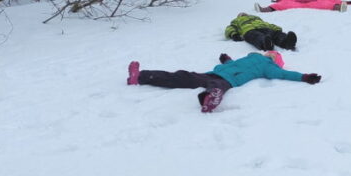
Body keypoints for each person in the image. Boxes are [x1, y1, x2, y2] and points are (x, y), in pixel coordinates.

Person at [126, 51, 322, 113]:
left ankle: (209, 100)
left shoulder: (270, 67)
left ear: (275, 59)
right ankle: (140, 76)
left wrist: (304, 76)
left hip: (228, 80)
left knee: (217, 87)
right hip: (213, 73)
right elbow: (234, 63)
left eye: (273, 55)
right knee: (182, 75)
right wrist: (226, 60)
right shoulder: (249, 57)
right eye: (270, 52)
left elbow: (285, 75)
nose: (269, 53)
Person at [225, 13, 297, 51]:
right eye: (241, 14)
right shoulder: (236, 21)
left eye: (244, 13)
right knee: (256, 36)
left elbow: (268, 24)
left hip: (264, 28)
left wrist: (276, 29)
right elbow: (230, 28)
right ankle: (266, 44)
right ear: (238, 17)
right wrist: (233, 34)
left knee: (275, 34)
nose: (243, 14)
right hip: (249, 31)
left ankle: (286, 42)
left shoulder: (256, 18)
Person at [254, 0, 351, 13]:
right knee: (282, 5)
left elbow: (333, 0)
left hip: (314, 3)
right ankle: (264, 9)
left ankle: (340, 8)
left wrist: (347, 2)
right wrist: (279, 0)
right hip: (299, 2)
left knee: (327, 5)